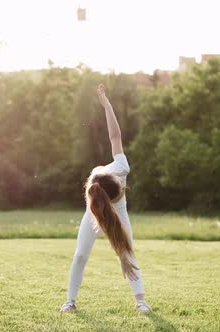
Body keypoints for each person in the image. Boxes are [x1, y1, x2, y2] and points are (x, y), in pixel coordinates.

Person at [61, 83, 151, 313]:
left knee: (128, 252)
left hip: (117, 210)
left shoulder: (121, 167)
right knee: (81, 253)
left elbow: (114, 135)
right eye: (121, 191)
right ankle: (70, 301)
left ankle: (140, 301)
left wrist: (106, 104)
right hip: (96, 211)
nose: (124, 189)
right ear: (109, 199)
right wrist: (116, 248)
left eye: (122, 186)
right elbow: (109, 227)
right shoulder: (97, 201)